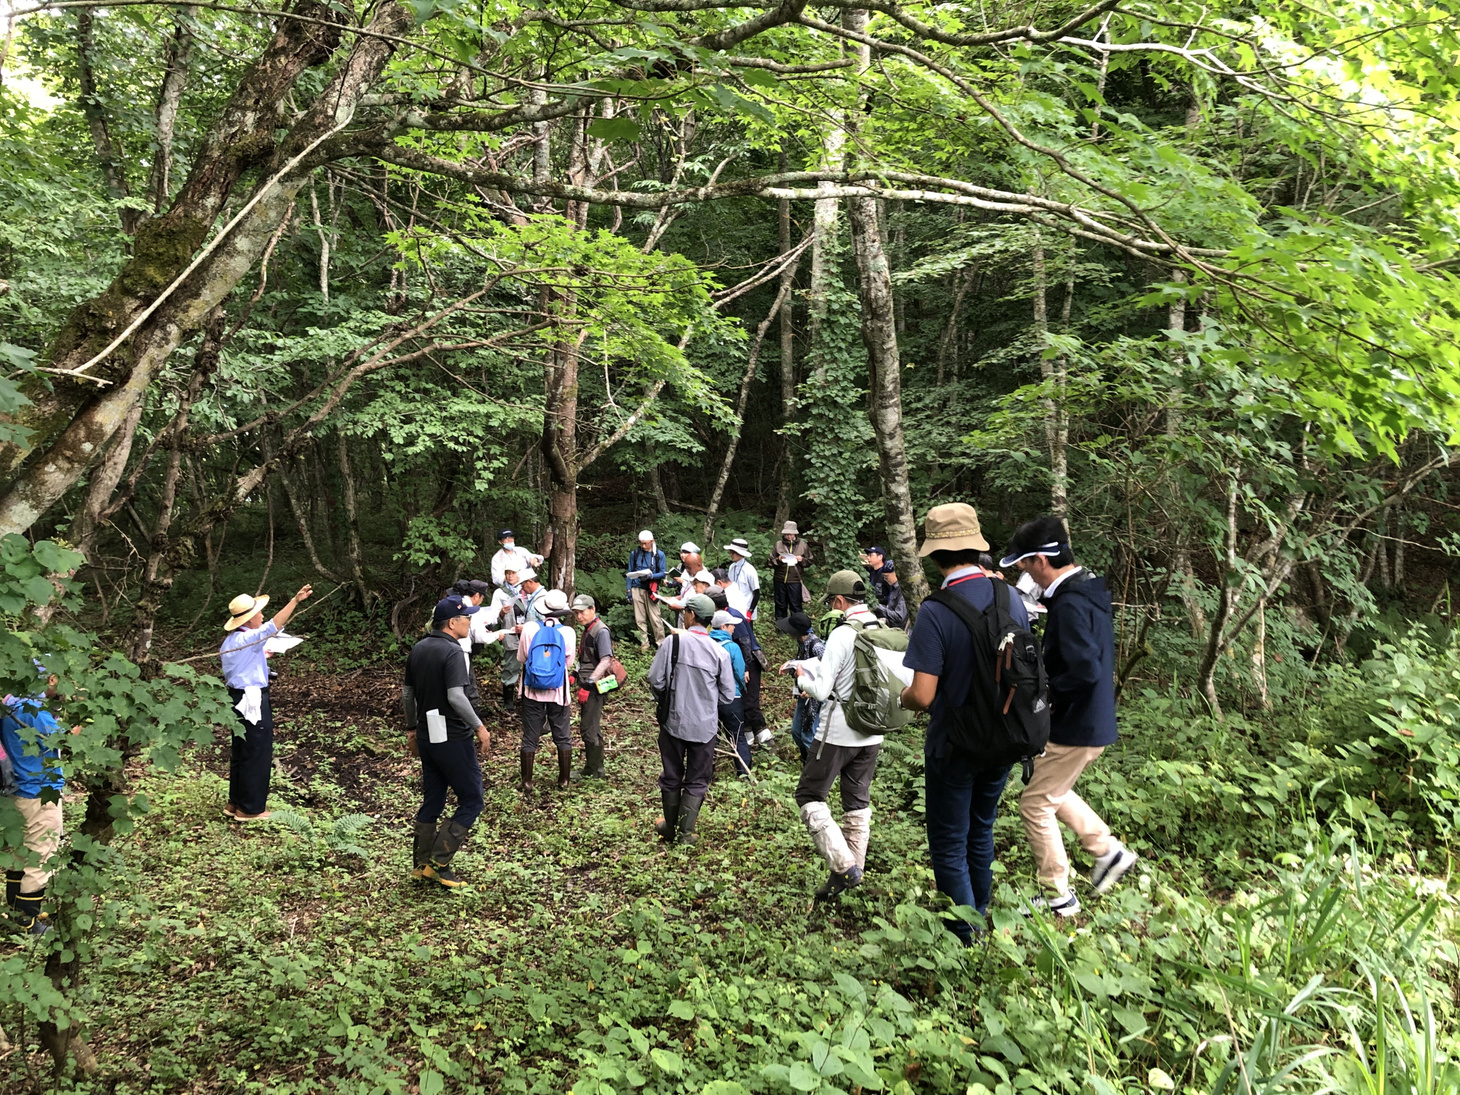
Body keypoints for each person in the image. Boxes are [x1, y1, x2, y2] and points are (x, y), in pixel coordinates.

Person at [898, 503, 1028, 942]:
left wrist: (900, 694)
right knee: (982, 828)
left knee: (950, 840)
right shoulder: (1012, 599)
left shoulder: (936, 611)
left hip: (954, 745)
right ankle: (981, 915)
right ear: (976, 547)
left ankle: (965, 935)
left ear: (935, 557)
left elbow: (922, 695)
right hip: (1007, 736)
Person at [1001, 516, 1137, 916]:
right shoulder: (1085, 591)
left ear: (1042, 560)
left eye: (1025, 565)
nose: (1025, 574)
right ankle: (1107, 851)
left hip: (1076, 723)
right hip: (1090, 721)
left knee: (1034, 804)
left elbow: (1085, 671)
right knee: (1051, 791)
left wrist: (1045, 697)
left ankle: (1057, 893)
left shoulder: (1072, 603)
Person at [790, 570, 905, 900]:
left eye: (832, 602)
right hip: (874, 731)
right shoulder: (882, 628)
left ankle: (844, 866)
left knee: (809, 795)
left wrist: (801, 677)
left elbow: (822, 689)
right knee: (857, 802)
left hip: (839, 730)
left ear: (839, 601)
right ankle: (852, 873)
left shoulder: (843, 634)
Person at [404, 595, 491, 887]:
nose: (469, 622)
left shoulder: (418, 648)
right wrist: (479, 726)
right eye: (466, 618)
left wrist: (411, 729)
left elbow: (407, 694)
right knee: (472, 799)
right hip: (453, 736)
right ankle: (440, 863)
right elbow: (456, 696)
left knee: (433, 799)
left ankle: (420, 864)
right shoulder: (454, 653)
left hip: (428, 734)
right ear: (452, 623)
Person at [218, 583, 312, 822]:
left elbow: (242, 664)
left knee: (241, 749)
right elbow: (274, 626)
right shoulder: (250, 637)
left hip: (236, 698)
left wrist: (262, 657)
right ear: (248, 620)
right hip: (251, 700)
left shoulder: (232, 640)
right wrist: (295, 601)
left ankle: (235, 802)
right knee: (257, 750)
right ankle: (250, 808)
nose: (261, 615)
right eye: (258, 613)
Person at [648, 593, 735, 846]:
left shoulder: (672, 643)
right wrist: (707, 703)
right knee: (697, 780)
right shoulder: (720, 653)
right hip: (705, 727)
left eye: (685, 611)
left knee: (671, 774)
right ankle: (686, 834)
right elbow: (728, 695)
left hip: (673, 722)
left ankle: (669, 827)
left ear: (691, 616)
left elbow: (655, 680)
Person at [2, 667, 66, 935]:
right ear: (50, 678)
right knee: (41, 857)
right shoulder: (35, 712)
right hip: (40, 792)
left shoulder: (9, 705)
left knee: (20, 855)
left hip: (17, 790)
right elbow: (66, 738)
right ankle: (28, 921)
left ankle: (14, 913)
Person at [516, 589, 577, 793]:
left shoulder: (529, 628)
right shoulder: (568, 632)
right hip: (558, 691)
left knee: (530, 735)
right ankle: (564, 780)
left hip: (532, 690)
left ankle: (526, 781)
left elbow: (523, 658)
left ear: (542, 609)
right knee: (562, 733)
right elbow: (568, 662)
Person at [714, 569, 768, 747]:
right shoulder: (724, 615)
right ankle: (749, 739)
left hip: (750, 660)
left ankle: (766, 739)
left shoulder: (732, 617)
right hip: (741, 661)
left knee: (750, 703)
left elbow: (745, 643)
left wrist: (745, 668)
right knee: (744, 702)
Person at [570, 594, 614, 781]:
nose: (579, 616)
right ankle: (593, 767)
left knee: (589, 727)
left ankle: (596, 770)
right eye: (576, 613)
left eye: (582, 612)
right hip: (587, 683)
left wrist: (589, 684)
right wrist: (575, 674)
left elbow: (606, 660)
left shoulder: (600, 631)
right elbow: (585, 657)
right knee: (587, 725)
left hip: (595, 688)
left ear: (592, 609)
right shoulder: (588, 629)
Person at [775, 611, 825, 761]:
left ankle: (814, 768)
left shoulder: (817, 647)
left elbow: (828, 670)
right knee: (797, 732)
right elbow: (805, 664)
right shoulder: (802, 643)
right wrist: (791, 664)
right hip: (803, 693)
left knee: (809, 734)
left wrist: (814, 690)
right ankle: (806, 760)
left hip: (814, 696)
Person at [708, 609, 751, 777]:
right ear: (724, 626)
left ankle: (706, 773)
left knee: (711, 736)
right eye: (732, 625)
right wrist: (742, 689)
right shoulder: (732, 647)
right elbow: (740, 673)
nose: (734, 628)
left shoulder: (705, 643)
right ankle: (744, 774)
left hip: (709, 698)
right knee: (737, 737)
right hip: (731, 698)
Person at [489, 567, 527, 709]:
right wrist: (501, 613)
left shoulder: (527, 588)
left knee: (530, 665)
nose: (510, 576)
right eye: (507, 573)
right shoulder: (500, 592)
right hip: (511, 633)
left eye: (513, 573)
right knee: (511, 665)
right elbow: (493, 618)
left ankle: (527, 697)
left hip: (527, 634)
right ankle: (508, 700)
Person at [625, 531, 668, 650]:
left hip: (651, 590)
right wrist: (628, 591)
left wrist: (651, 576)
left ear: (652, 541)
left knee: (656, 619)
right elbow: (629, 573)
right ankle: (644, 645)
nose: (643, 546)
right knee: (640, 619)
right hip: (636, 588)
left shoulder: (659, 555)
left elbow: (663, 573)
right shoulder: (635, 554)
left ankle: (661, 644)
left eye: (645, 544)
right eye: (641, 543)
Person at [771, 521, 811, 619]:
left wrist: (802, 560)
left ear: (795, 533)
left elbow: (810, 560)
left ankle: (797, 628)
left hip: (795, 580)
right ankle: (781, 626)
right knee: (780, 605)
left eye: (791, 534)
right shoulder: (778, 544)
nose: (789, 536)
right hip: (780, 579)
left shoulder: (803, 545)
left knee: (796, 605)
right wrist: (778, 560)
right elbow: (770, 561)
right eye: (787, 534)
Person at [723, 539, 761, 623]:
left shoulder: (749, 570)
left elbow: (756, 593)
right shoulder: (732, 567)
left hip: (746, 609)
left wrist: (750, 611)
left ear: (740, 554)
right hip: (733, 607)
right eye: (730, 552)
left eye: (733, 552)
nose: (731, 554)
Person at [880, 567, 908, 631]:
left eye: (886, 576)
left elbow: (899, 617)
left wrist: (879, 608)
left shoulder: (902, 590)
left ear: (896, 573)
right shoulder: (893, 587)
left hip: (899, 631)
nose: (884, 579)